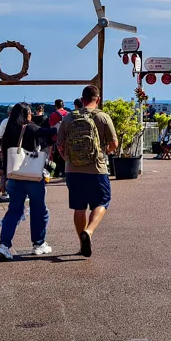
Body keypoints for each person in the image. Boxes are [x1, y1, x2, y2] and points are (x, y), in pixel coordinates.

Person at [57, 85, 118, 257]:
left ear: (82, 99)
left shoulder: (69, 117)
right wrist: (105, 150)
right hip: (96, 169)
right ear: (97, 99)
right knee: (102, 202)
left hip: (72, 169)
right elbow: (114, 144)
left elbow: (60, 144)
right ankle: (89, 232)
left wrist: (68, 159)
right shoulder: (102, 117)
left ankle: (81, 243)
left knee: (79, 207)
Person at [0, 102, 52, 260]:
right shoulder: (31, 128)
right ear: (27, 115)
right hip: (32, 176)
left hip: (14, 177)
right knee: (39, 210)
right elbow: (49, 133)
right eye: (30, 113)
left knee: (14, 211)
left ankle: (4, 245)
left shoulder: (9, 131)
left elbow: (5, 157)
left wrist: (5, 178)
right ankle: (38, 244)